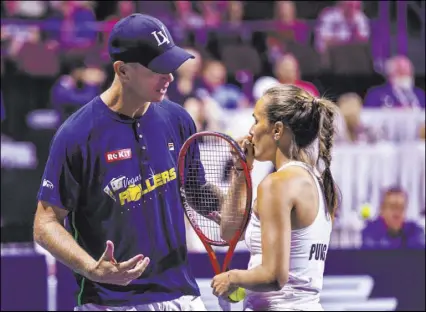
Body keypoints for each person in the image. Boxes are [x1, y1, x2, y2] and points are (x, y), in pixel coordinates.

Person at [33, 13, 208, 311]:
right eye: (159, 69)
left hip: (182, 298)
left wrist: (239, 194)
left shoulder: (178, 119)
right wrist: (92, 268)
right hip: (110, 303)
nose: (170, 77)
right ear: (123, 70)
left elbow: (202, 198)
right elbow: (45, 223)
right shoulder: (77, 134)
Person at [211, 84, 340, 311]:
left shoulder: (277, 184)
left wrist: (231, 278)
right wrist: (242, 171)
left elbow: (274, 276)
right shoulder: (316, 180)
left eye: (256, 121)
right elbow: (230, 232)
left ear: (277, 130)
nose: (250, 131)